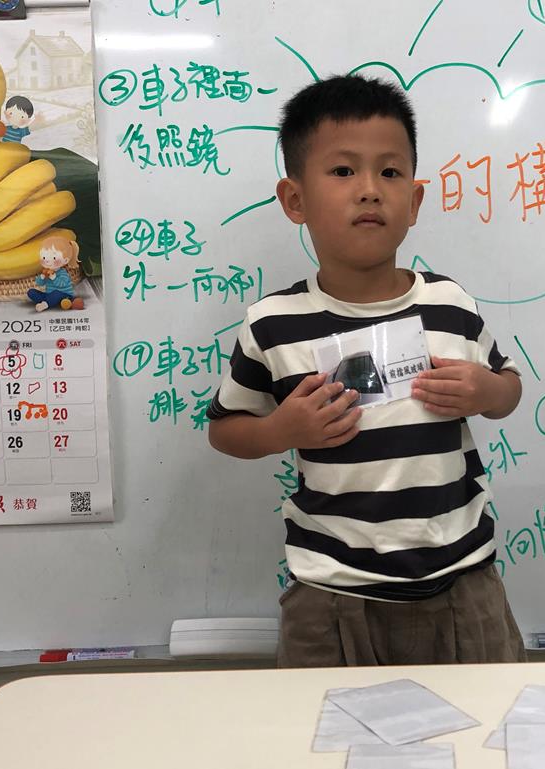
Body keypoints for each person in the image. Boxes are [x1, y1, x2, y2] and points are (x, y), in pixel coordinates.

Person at [207, 74, 526, 667]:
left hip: (463, 581)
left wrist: (487, 391)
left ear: (415, 201)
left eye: (391, 172)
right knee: (322, 726)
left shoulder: (450, 303)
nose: (370, 190)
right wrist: (281, 431)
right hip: (331, 593)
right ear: (295, 200)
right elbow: (225, 429)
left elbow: (510, 388)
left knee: (486, 722)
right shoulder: (272, 323)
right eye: (343, 170)